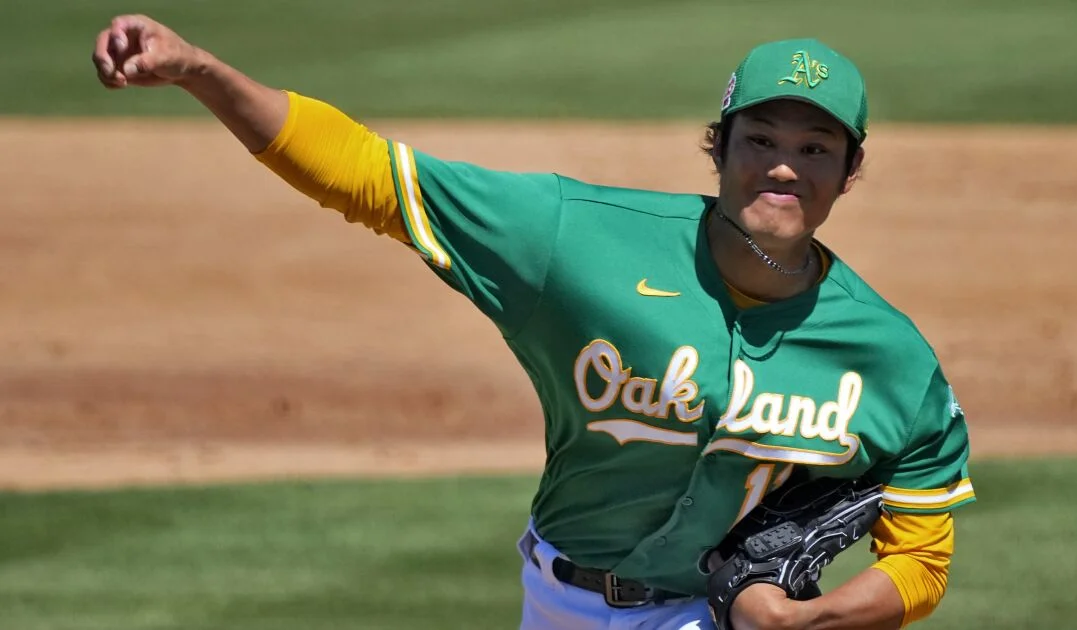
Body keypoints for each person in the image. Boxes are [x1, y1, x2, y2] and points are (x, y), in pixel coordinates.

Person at [92, 14, 975, 630]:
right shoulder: (573, 237)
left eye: (816, 150)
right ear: (719, 147)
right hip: (558, 603)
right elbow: (368, 175)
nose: (785, 169)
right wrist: (200, 71)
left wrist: (813, 619)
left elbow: (920, 560)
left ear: (850, 173)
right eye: (762, 140)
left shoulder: (891, 360)